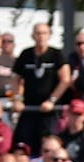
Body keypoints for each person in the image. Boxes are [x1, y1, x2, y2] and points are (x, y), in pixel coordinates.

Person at [13, 22, 71, 153]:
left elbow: (65, 79)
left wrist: (52, 100)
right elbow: (15, 78)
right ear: (32, 35)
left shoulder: (56, 54)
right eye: (38, 33)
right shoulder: (26, 54)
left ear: (49, 35)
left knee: (48, 145)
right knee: (22, 144)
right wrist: (17, 99)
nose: (41, 36)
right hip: (29, 108)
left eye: (44, 33)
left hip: (49, 111)